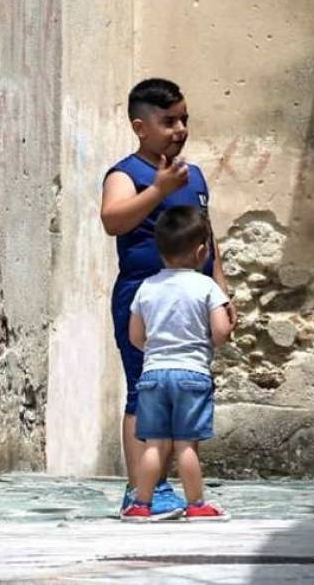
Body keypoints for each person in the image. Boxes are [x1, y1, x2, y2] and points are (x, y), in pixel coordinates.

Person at [100, 78, 236, 518]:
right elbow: (112, 220)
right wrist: (156, 190)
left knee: (182, 386)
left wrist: (221, 287)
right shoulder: (127, 174)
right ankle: (140, 490)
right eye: (168, 121)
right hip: (146, 295)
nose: (179, 129)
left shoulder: (192, 175)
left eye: (184, 120)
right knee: (146, 388)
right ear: (140, 127)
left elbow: (206, 235)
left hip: (193, 299)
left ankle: (163, 487)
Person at [120, 206, 233, 522]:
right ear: (201, 252)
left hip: (153, 373)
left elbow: (135, 336)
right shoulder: (206, 286)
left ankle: (141, 504)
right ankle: (197, 504)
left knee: (154, 444)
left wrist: (157, 350)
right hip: (192, 374)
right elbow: (221, 332)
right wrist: (208, 342)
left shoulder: (147, 287)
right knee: (186, 446)